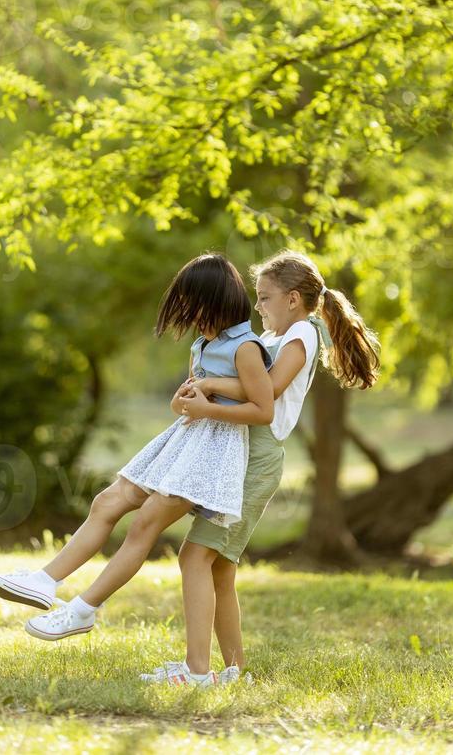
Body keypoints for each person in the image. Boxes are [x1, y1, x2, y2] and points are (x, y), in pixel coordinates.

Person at [0, 253, 274, 684]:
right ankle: (45, 581)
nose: (188, 316)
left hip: (215, 451)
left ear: (212, 301)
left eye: (191, 305)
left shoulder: (246, 347)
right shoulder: (204, 344)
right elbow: (183, 401)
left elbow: (262, 409)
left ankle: (83, 610)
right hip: (184, 439)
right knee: (108, 500)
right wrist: (188, 402)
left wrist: (207, 405)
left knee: (145, 525)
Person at [139, 249, 381, 686]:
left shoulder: (303, 335)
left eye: (265, 298)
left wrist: (210, 384)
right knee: (219, 567)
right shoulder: (273, 338)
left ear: (292, 299)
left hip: (257, 457)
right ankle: (233, 671)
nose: (258, 306)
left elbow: (265, 391)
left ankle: (197, 671)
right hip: (242, 451)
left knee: (194, 556)